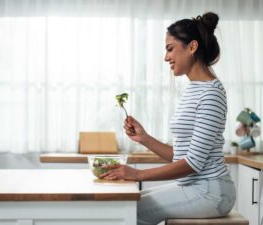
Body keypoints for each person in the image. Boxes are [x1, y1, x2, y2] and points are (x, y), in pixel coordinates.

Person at [100, 12, 236, 225]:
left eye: (170, 48)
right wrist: (144, 138)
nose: (166, 57)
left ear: (192, 47)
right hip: (193, 186)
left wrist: (137, 174)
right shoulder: (194, 90)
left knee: (129, 213)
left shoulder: (211, 93)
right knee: (125, 205)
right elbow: (182, 155)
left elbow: (192, 163)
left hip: (212, 192)